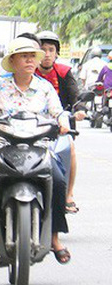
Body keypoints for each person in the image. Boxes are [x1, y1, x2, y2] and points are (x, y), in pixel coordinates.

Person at [0, 36, 72, 264]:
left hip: (39, 146)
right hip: (4, 145)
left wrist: (64, 122)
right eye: (24, 57)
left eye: (32, 57)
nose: (29, 61)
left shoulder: (44, 88)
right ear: (13, 61)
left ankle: (55, 237)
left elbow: (58, 111)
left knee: (57, 178)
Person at [35, 30, 85, 214]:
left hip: (59, 125)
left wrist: (79, 110)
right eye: (43, 50)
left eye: (51, 50)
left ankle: (68, 194)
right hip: (31, 124)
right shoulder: (27, 72)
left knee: (69, 149)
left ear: (57, 53)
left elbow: (76, 95)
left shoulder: (64, 72)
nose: (47, 54)